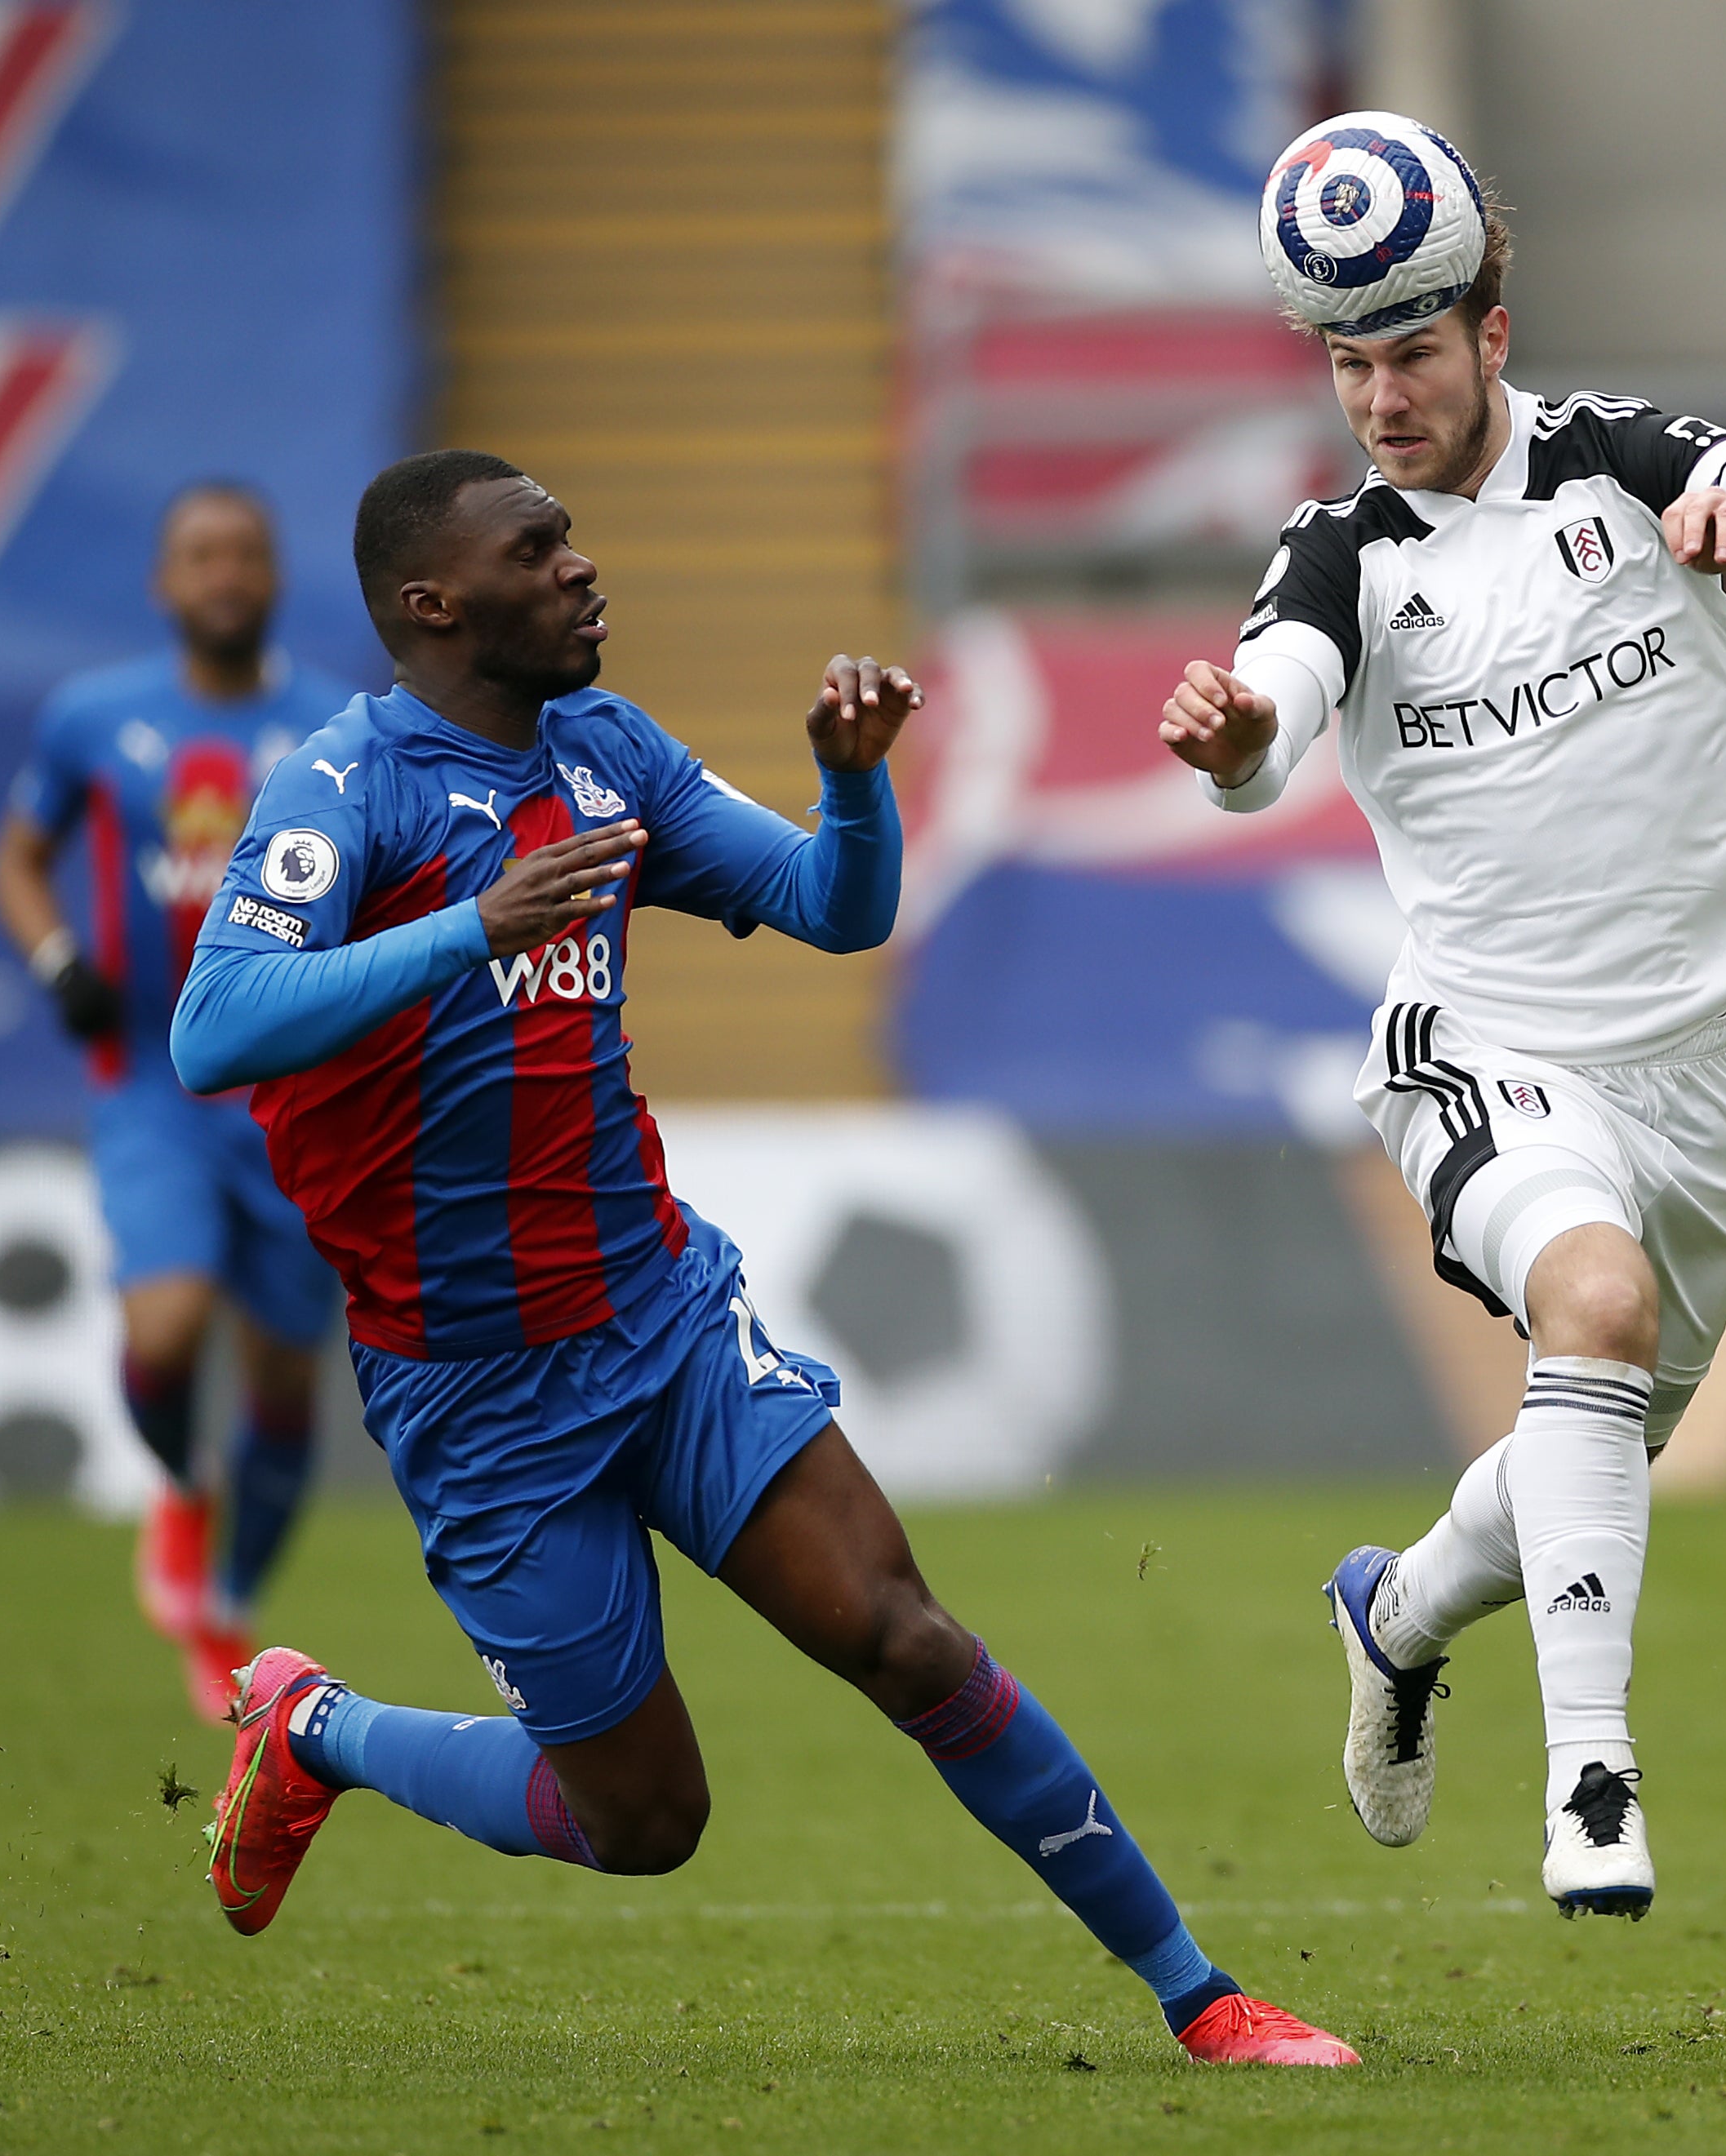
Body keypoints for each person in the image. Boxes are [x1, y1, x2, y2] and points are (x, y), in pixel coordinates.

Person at [168, 448, 1355, 2067]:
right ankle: (319, 1729)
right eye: (538, 547)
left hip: (658, 1319)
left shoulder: (606, 751)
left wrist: (851, 782)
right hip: (476, 1393)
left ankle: (1201, 1997)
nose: (583, 565)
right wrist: (472, 927)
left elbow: (830, 906)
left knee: (905, 1635)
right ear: (431, 603)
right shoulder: (343, 789)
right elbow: (210, 1027)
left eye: (573, 533)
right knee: (645, 1819)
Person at [1157, 122, 1726, 1917]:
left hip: (1704, 1068)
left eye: (1410, 352)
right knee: (1586, 1301)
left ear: (1492, 334)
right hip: (1481, 1042)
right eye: (1348, 363)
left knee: (1597, 1438)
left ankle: (1397, 1611)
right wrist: (1238, 737)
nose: (1379, 398)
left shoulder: (1620, 464)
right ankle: (1592, 1783)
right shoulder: (1342, 552)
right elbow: (1272, 708)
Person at [0, 481, 355, 1717]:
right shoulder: (93, 719)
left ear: (276, 576)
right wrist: (57, 962)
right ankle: (182, 1494)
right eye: (201, 554)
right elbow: (15, 855)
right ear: (163, 581)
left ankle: (231, 1607)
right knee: (165, 1326)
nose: (225, 574)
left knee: (288, 1381)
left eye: (246, 552)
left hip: (294, 1099)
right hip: (152, 1080)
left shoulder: (334, 728)